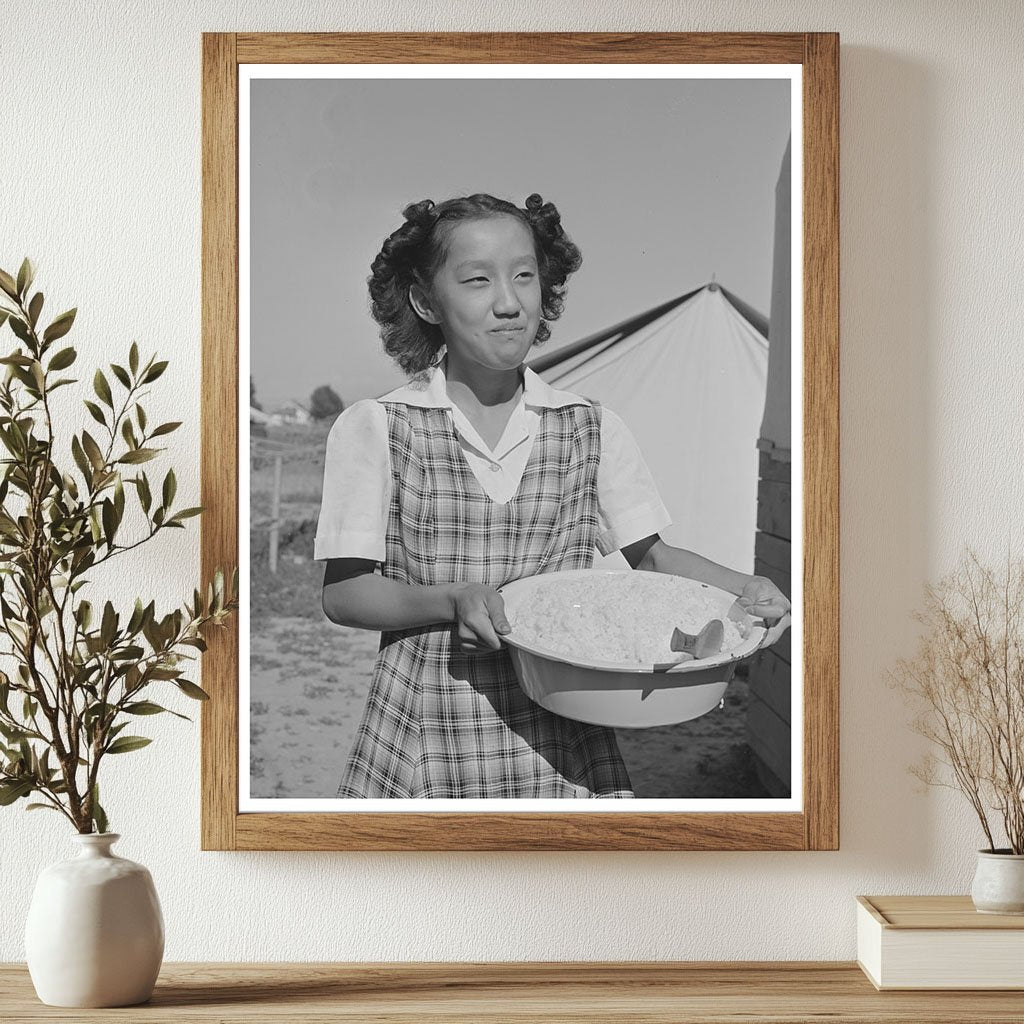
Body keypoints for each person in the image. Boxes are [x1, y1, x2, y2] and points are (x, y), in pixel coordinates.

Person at [315, 192, 791, 799]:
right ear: (425, 301)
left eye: (524, 276)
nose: (509, 302)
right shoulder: (378, 427)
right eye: (478, 280)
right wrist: (450, 601)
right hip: (426, 731)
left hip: (563, 741)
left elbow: (653, 558)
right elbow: (344, 594)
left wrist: (745, 589)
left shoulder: (590, 427)